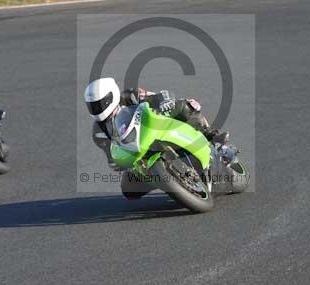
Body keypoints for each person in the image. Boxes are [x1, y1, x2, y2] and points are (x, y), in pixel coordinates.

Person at [84, 77, 227, 199]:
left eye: (100, 103)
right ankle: (170, 182)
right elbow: (112, 157)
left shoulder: (130, 96)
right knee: (129, 191)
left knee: (185, 105)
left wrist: (163, 104)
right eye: (93, 106)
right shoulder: (99, 132)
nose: (97, 108)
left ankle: (209, 134)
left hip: (157, 126)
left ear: (112, 95)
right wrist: (117, 162)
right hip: (137, 152)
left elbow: (161, 96)